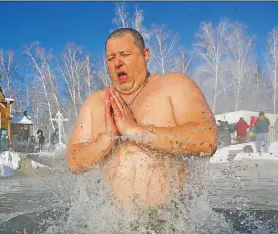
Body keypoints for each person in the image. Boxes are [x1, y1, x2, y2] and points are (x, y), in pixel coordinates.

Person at [67, 28, 217, 206]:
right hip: (116, 226)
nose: (117, 63)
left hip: (173, 223)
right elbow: (74, 162)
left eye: (125, 54)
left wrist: (135, 131)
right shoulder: (94, 103)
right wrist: (104, 141)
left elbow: (207, 140)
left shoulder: (173, 85)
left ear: (145, 55)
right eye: (111, 58)